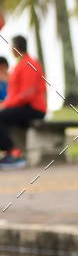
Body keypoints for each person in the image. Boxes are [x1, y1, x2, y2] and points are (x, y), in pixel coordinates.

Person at [0, 36, 47, 169]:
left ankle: (14, 154)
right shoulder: (21, 63)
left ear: (15, 48)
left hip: (33, 108)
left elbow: (27, 95)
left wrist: (5, 105)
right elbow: (16, 93)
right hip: (24, 107)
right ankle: (10, 153)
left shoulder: (29, 64)